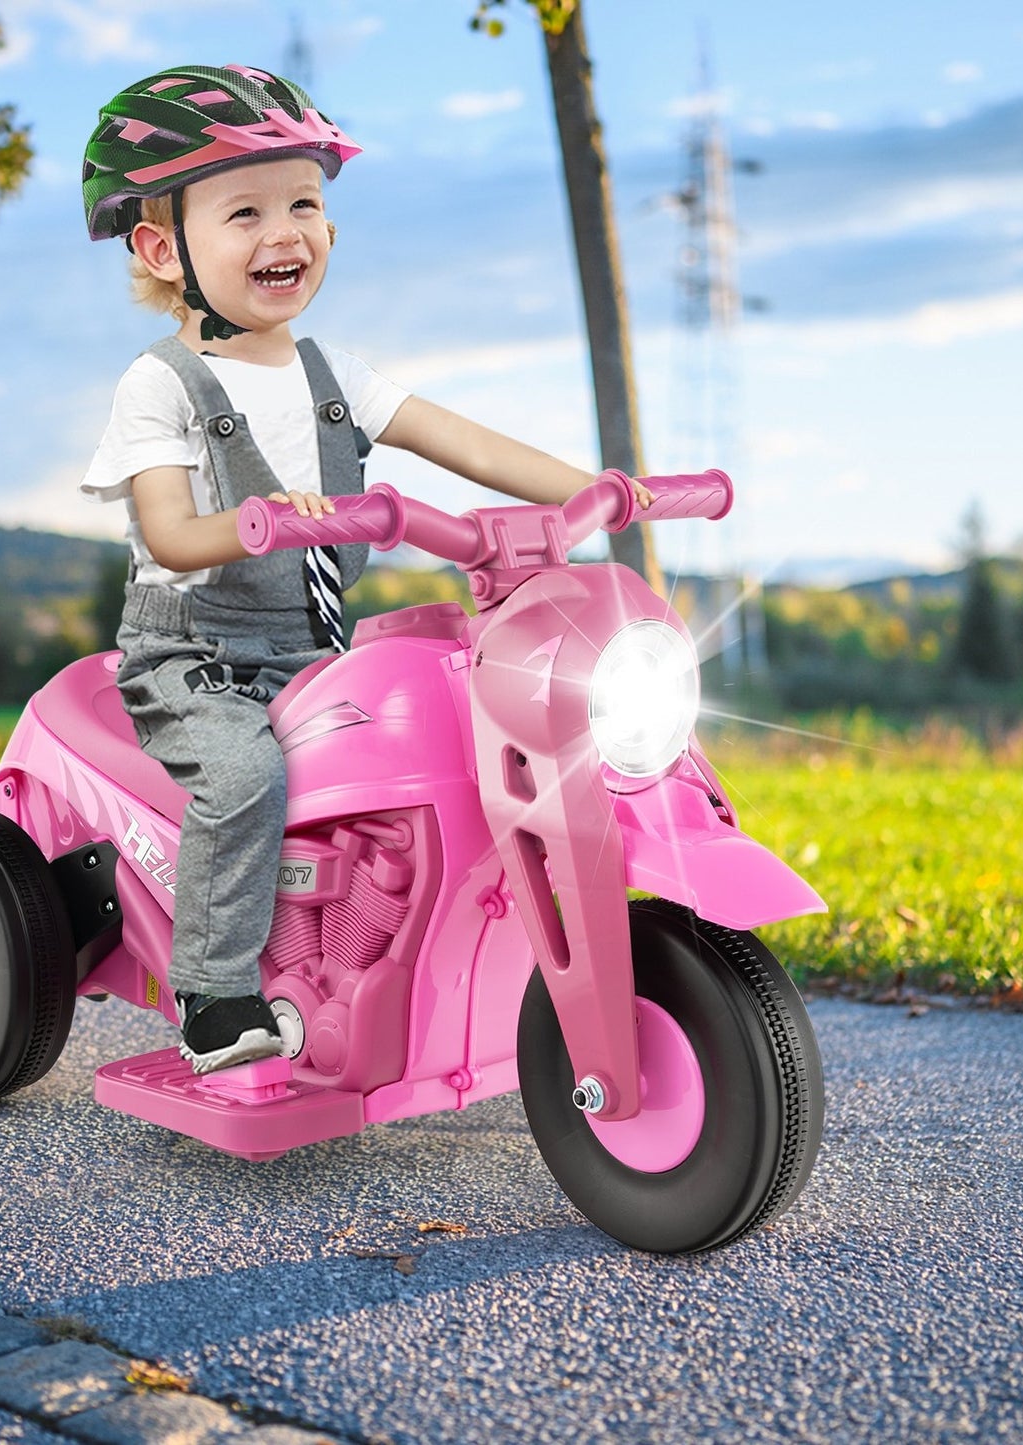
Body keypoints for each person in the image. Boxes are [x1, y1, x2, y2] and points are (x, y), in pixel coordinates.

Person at [79, 63, 649, 1075]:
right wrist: (250, 520)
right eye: (243, 211)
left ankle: (416, 964)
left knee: (446, 727)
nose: (283, 231)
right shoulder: (158, 384)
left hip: (309, 653)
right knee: (246, 771)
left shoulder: (332, 376)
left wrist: (597, 490)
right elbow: (167, 530)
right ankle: (215, 994)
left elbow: (459, 441)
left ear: (332, 229)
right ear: (163, 250)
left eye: (302, 202)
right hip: (194, 658)